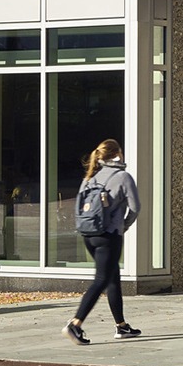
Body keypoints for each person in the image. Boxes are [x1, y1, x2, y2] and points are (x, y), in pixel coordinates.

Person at [66, 138, 141, 345]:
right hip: (109, 236)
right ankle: (75, 324)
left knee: (111, 277)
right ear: (118, 155)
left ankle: (122, 325)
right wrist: (123, 226)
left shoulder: (90, 177)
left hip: (89, 235)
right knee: (101, 280)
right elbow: (135, 208)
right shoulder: (123, 176)